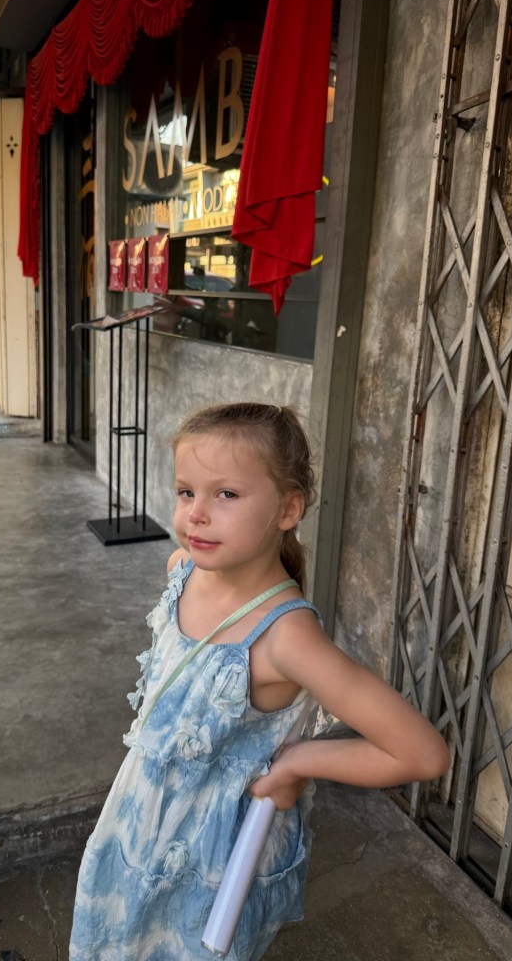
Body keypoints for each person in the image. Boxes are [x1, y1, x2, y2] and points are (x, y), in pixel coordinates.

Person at [69, 402, 450, 961]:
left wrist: (297, 763)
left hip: (208, 863)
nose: (197, 514)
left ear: (288, 509)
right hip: (138, 822)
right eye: (186, 492)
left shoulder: (285, 637)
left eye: (226, 494)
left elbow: (422, 753)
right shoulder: (182, 571)